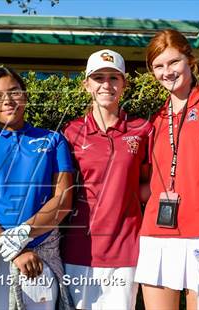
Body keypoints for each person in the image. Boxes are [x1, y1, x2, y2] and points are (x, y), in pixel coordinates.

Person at [0, 66, 74, 310]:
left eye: (14, 92)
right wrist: (10, 248)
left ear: (26, 95)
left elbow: (63, 199)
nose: (7, 100)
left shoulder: (53, 140)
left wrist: (23, 235)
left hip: (38, 254)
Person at [134, 29, 199, 309]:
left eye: (173, 62)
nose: (166, 72)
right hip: (156, 237)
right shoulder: (155, 119)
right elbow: (150, 185)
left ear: (190, 61)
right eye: (158, 66)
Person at [60, 49, 154, 309]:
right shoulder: (71, 131)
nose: (106, 84)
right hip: (80, 250)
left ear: (124, 84)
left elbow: (148, 184)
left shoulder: (142, 130)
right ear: (86, 84)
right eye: (98, 77)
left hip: (126, 252)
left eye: (114, 78)